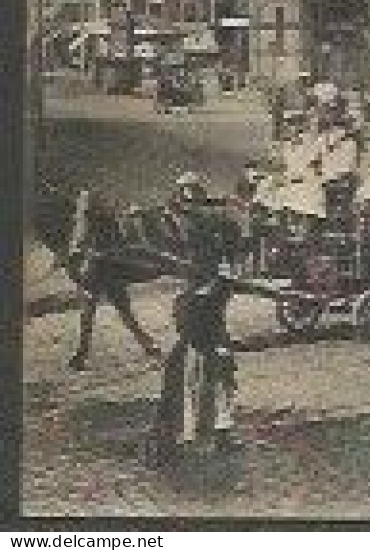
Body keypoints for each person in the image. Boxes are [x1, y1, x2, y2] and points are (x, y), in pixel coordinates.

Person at [146, 259, 239, 467]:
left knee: (211, 393)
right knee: (201, 393)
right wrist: (218, 350)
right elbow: (201, 331)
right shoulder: (205, 301)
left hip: (196, 352)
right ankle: (181, 439)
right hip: (198, 352)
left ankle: (214, 433)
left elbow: (202, 328)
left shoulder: (192, 299)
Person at [65, 189, 164, 371]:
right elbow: (76, 247)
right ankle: (82, 353)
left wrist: (106, 253)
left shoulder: (108, 221)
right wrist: (80, 258)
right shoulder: (83, 222)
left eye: (93, 204)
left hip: (109, 271)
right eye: (89, 205)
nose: (93, 208)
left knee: (123, 312)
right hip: (92, 273)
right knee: (88, 315)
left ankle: (147, 343)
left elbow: (120, 244)